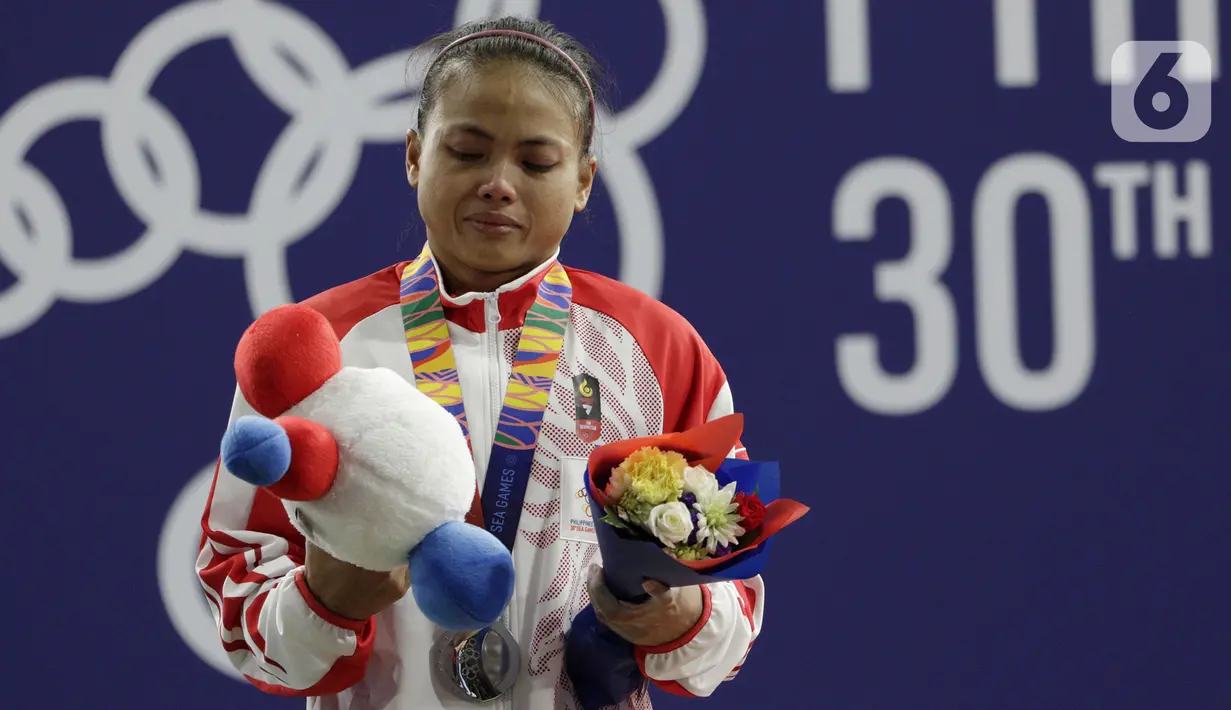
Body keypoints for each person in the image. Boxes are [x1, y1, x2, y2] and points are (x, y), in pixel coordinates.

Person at [195, 16, 764, 710]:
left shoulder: (661, 348)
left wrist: (685, 620)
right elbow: (236, 594)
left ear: (584, 180)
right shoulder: (320, 348)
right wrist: (322, 603)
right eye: (466, 151)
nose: (498, 183)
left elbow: (736, 609)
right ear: (413, 156)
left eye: (536, 163)